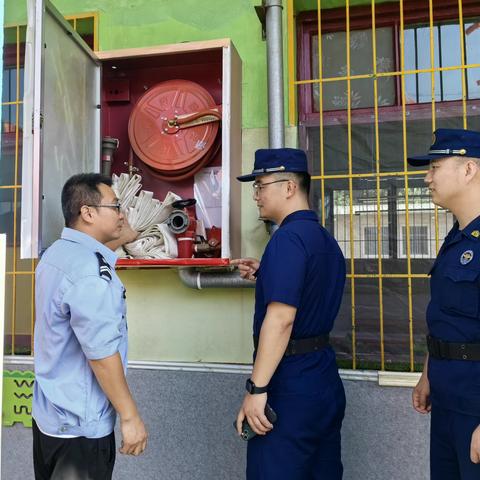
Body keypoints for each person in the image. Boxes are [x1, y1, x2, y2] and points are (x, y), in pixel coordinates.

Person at [232, 148, 346, 479]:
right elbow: (310, 290)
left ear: (289, 187)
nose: (256, 195)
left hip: (289, 383)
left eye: (261, 185)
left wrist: (256, 389)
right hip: (322, 377)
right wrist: (267, 271)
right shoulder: (324, 240)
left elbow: (281, 320)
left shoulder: (286, 240)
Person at [32, 173, 148, 480]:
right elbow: (100, 354)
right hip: (81, 429)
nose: (122, 214)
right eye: (116, 206)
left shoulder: (56, 255)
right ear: (88, 212)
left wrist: (124, 233)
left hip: (50, 419)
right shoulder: (90, 273)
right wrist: (130, 416)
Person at [410, 129, 480, 480]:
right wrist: (428, 374)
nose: (427, 177)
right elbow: (447, 314)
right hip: (448, 396)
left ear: (469, 170)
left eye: (435, 166)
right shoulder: (457, 236)